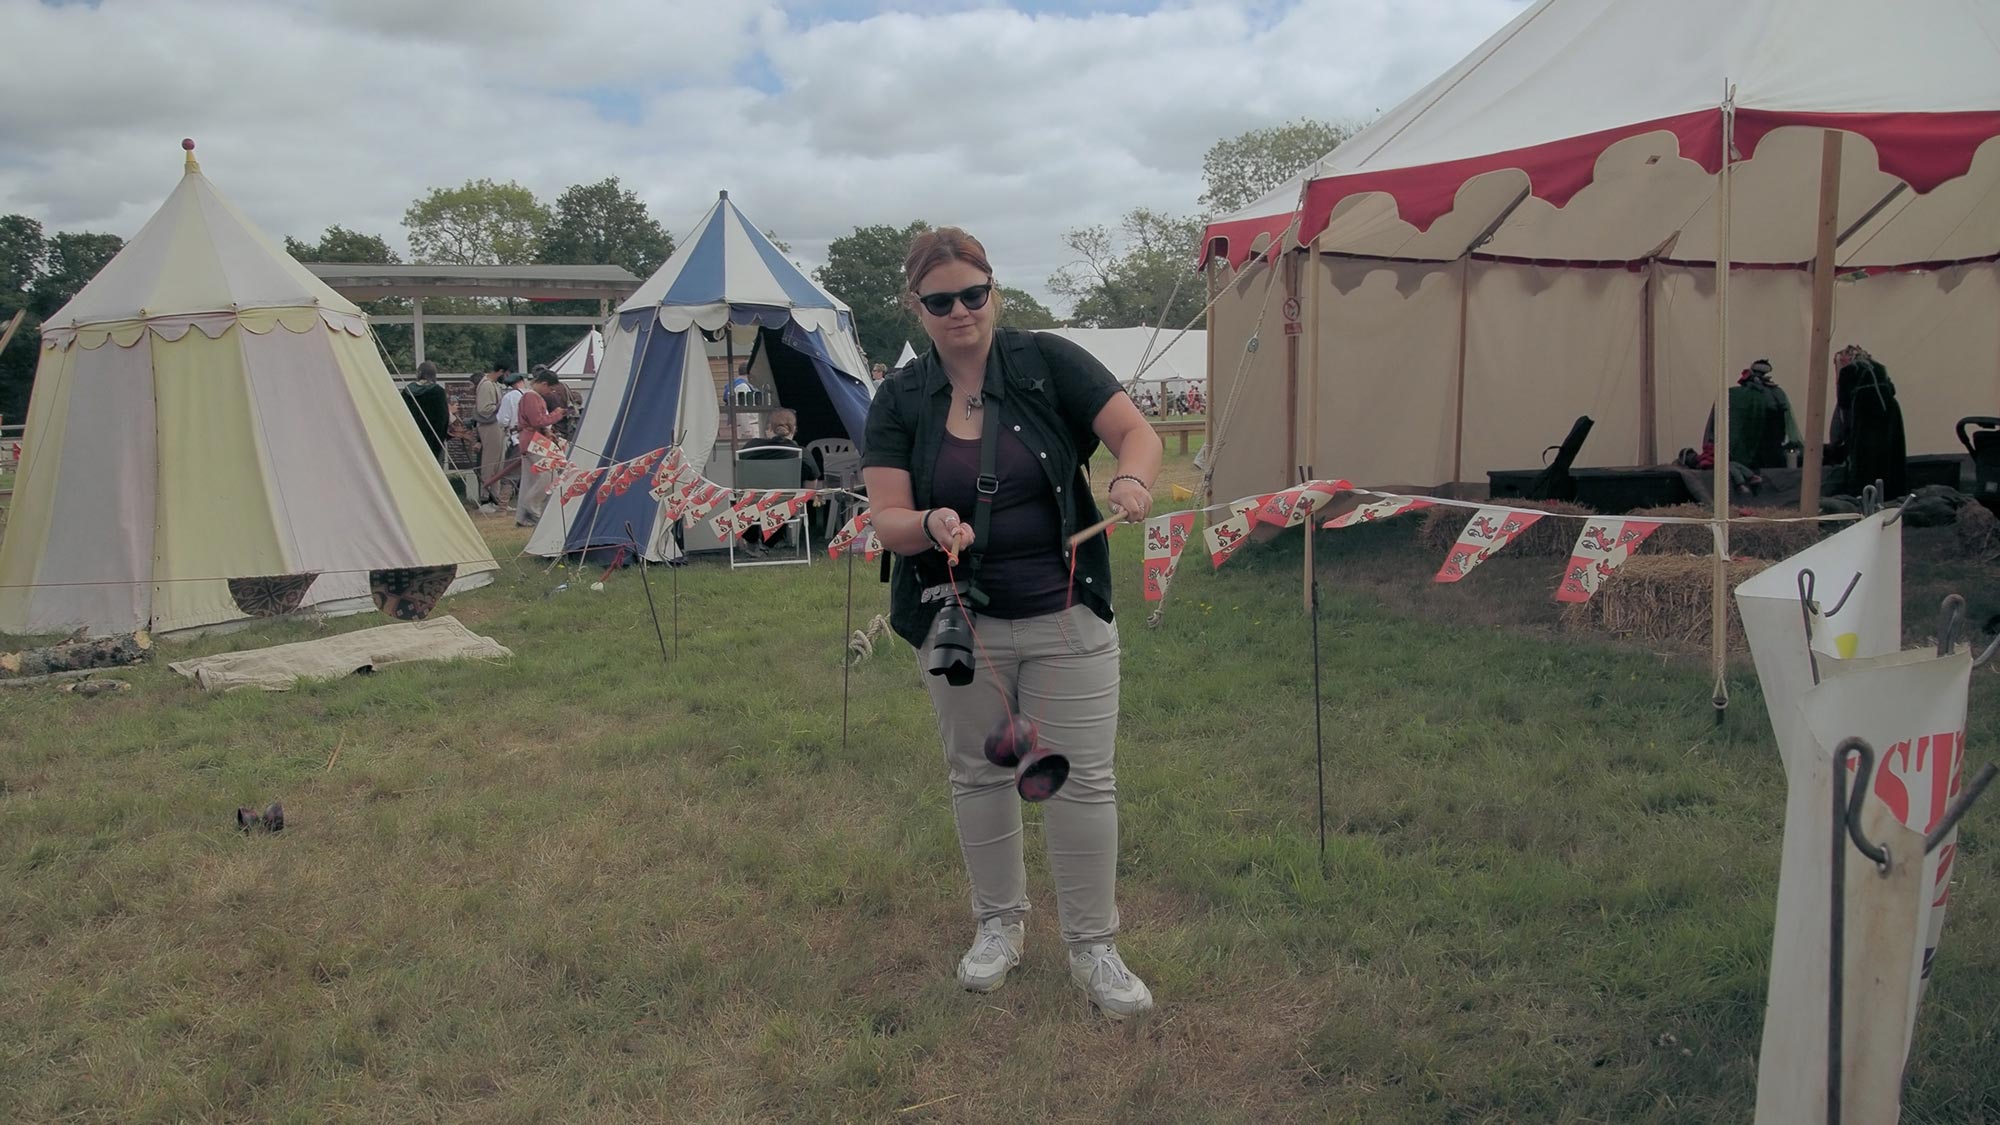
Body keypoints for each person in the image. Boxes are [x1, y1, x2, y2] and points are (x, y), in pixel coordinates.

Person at [860, 226, 1164, 1019]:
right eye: (939, 300)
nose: (960, 310)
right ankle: (999, 926)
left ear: (995, 289)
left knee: (1080, 779)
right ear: (915, 307)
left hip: (1067, 614)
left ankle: (1094, 947)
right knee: (981, 773)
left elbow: (1137, 432)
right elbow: (884, 516)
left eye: (973, 292)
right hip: (959, 621)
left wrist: (1132, 477)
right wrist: (930, 523)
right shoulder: (899, 396)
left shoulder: (1047, 361)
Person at [515, 370, 568, 527]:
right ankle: (531, 507)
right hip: (533, 442)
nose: (550, 392)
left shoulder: (530, 396)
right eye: (550, 389)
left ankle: (522, 517)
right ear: (544, 384)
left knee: (530, 479)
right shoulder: (531, 397)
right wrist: (556, 415)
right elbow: (538, 421)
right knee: (548, 475)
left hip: (532, 439)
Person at [473, 360, 512, 509]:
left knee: (498, 463)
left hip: (497, 426)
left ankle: (495, 496)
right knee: (490, 462)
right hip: (489, 425)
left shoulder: (494, 385)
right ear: (501, 371)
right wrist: (502, 404)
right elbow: (484, 409)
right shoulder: (486, 385)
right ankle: (486, 497)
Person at [400, 361, 451, 469]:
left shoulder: (407, 392)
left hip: (412, 438)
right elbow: (443, 419)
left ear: (419, 373)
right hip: (432, 438)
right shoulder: (438, 392)